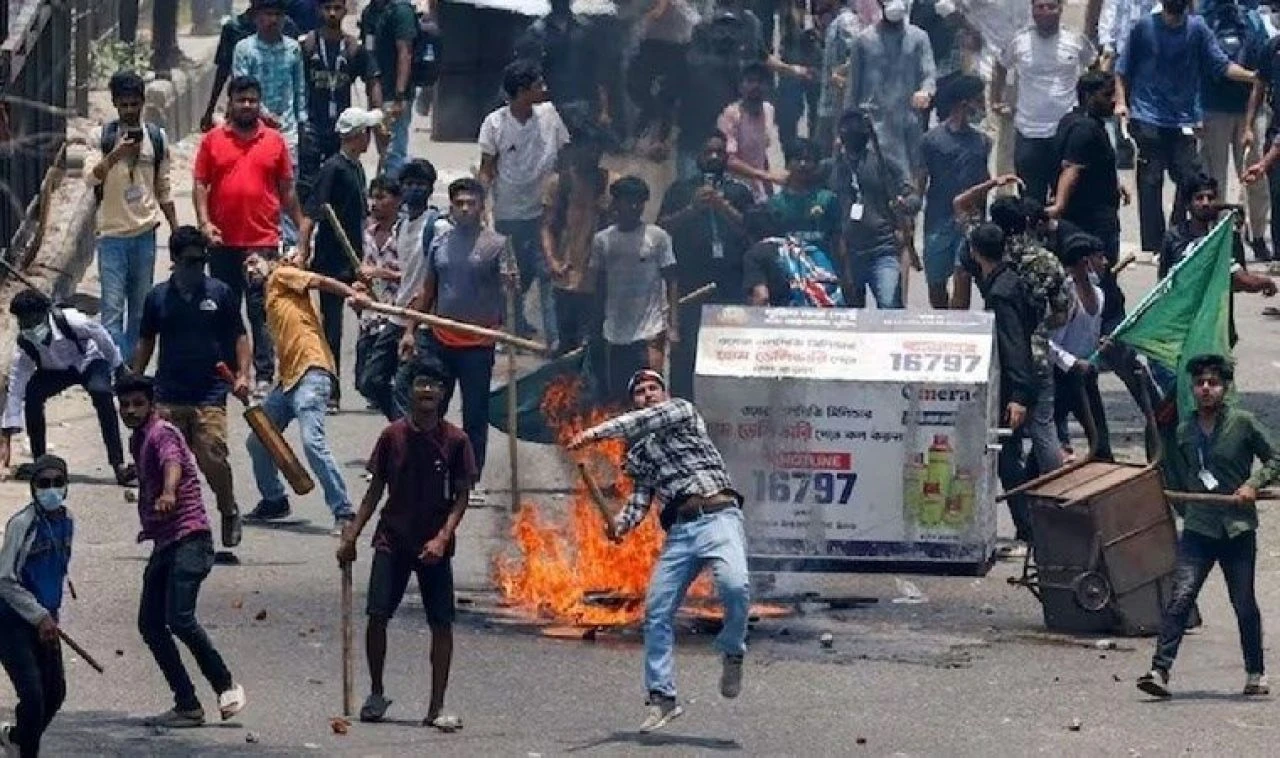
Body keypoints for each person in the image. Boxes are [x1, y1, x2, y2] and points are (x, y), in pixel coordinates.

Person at [567, 369, 749, 734]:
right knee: (656, 612)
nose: (648, 394)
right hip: (681, 532)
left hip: (719, 517)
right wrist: (620, 525)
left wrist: (591, 433)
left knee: (735, 585)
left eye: (654, 388)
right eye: (640, 391)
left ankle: (732, 649)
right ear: (633, 400)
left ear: (665, 394)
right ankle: (662, 698)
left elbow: (648, 419)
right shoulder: (640, 455)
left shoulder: (682, 412)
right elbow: (639, 501)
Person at [336, 364, 475, 731]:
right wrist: (352, 534)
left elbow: (462, 497)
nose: (427, 390)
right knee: (377, 615)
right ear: (411, 391)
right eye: (421, 384)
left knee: (441, 624)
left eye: (434, 385)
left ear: (443, 394)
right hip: (392, 538)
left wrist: (442, 538)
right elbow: (375, 489)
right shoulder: (391, 436)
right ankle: (377, 692)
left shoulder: (456, 441)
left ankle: (436, 706)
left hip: (434, 542)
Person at [1136, 354, 1279, 700]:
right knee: (1180, 597)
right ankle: (1160, 670)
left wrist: (1254, 484)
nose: (1205, 389)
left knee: (1243, 602)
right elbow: (1165, 465)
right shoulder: (1183, 429)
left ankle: (1255, 673)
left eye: (1213, 383)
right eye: (1199, 383)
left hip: (1236, 528)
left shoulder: (1243, 423)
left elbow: (1276, 458)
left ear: (1225, 388)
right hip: (1199, 528)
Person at [116, 375, 248, 729]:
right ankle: (187, 704)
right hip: (165, 542)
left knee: (180, 618)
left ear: (151, 404)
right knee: (150, 624)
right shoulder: (139, 439)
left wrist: (169, 492)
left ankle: (226, 686)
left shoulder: (163, 433)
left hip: (190, 538)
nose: (130, 411)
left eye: (137, 404)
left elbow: (172, 462)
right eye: (125, 405)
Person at [134, 226, 251, 551]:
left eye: (201, 261)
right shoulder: (157, 297)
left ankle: (228, 509)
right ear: (174, 261)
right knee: (167, 463)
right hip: (169, 393)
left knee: (211, 455)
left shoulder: (220, 293)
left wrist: (243, 374)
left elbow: (240, 336)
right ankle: (171, 529)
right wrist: (135, 379)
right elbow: (146, 340)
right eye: (189, 261)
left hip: (210, 392)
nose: (196, 268)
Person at [1116, 0, 1256, 256]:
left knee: (1190, 177)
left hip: (1183, 120)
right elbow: (1122, 69)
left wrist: (1254, 76)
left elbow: (1221, 65)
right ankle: (1152, 245)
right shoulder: (1144, 27)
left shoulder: (1197, 29)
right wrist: (1122, 102)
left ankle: (1177, 236)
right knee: (1151, 179)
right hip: (1148, 115)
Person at [194, 74, 304, 398]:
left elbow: (286, 188)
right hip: (222, 241)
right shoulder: (212, 140)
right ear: (230, 103)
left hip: (262, 241)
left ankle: (265, 373)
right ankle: (230, 372)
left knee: (260, 309)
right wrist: (204, 222)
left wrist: (301, 225)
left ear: (259, 103)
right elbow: (201, 184)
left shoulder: (274, 141)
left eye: (252, 100)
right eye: (241, 100)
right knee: (226, 309)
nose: (246, 105)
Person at [395, 178, 508, 481]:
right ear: (452, 208)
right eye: (459, 203)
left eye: (471, 203)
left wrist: (510, 293)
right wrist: (409, 330)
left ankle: (470, 478)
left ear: (481, 207)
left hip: (478, 345)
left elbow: (510, 294)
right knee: (430, 409)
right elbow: (427, 291)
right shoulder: (440, 244)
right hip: (440, 340)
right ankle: (429, 469)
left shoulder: (497, 246)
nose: (465, 208)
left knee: (474, 415)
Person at [239, 253, 360, 531]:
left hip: (312, 371)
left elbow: (320, 281)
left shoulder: (282, 275)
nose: (250, 268)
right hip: (288, 380)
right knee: (258, 440)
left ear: (271, 261)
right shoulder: (269, 300)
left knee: (311, 442)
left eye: (254, 262)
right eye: (245, 266)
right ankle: (274, 500)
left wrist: (352, 294)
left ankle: (344, 512)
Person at [478, 60, 570, 348]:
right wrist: (483, 206)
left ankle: (554, 339)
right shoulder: (495, 123)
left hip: (544, 212)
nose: (545, 89)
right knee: (514, 275)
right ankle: (512, 328)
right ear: (521, 92)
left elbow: (565, 154)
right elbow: (487, 168)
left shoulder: (550, 115)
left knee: (547, 273)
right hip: (509, 213)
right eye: (537, 85)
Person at [657, 130, 754, 398]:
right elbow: (661, 228)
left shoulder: (740, 191)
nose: (713, 157)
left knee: (729, 350)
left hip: (729, 282)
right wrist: (692, 209)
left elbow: (753, 231)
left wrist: (723, 207)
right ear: (698, 158)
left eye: (719, 152)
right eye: (708, 152)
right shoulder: (680, 190)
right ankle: (682, 407)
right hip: (691, 282)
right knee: (685, 350)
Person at [89, 70, 178, 361]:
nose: (129, 110)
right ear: (115, 104)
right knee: (112, 308)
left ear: (142, 102)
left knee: (140, 308)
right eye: (123, 105)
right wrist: (115, 154)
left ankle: (132, 371)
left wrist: (175, 229)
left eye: (134, 104)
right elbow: (90, 178)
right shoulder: (101, 137)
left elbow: (163, 188)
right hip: (112, 236)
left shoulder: (156, 137)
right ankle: (117, 369)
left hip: (144, 234)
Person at [298, 106, 382, 412]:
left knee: (373, 320)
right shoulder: (332, 169)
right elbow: (311, 213)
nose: (371, 139)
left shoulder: (357, 168)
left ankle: (373, 383)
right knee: (331, 328)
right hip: (333, 261)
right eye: (368, 133)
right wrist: (302, 251)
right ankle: (331, 392)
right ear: (358, 136)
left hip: (357, 259)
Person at [1, 290, 132, 485]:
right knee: (33, 394)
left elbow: (101, 336)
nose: (30, 327)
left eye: (33, 321)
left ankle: (118, 464)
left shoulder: (72, 321)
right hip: (54, 371)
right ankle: (40, 463)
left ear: (45, 314)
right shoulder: (25, 344)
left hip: (88, 361)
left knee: (101, 393)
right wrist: (6, 433)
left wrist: (118, 366)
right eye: (24, 323)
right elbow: (16, 385)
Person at [989, 196, 1070, 481]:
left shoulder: (991, 254)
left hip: (998, 354)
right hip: (1036, 353)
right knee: (1043, 427)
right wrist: (1037, 326)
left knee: (1001, 435)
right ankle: (1059, 492)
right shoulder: (1046, 261)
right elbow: (1064, 312)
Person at [968, 223, 1037, 547]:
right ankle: (1030, 522)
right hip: (1017, 383)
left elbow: (1013, 344)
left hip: (1012, 387)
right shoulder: (1010, 280)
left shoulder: (1001, 292)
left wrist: (1019, 395)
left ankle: (1029, 524)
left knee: (1008, 460)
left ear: (975, 252)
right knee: (1010, 458)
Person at [0, 454, 73, 757]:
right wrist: (38, 615)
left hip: (46, 620)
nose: (52, 489)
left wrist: (50, 615)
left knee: (55, 693)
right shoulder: (22, 524)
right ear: (33, 487)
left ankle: (16, 738)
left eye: (58, 482)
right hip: (12, 620)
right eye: (44, 483)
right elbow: (4, 580)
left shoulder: (67, 521)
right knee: (33, 697)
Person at [990, 0, 1097, 203]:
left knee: (1068, 200)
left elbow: (1093, 65)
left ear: (1060, 9)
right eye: (1039, 7)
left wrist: (1088, 104)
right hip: (1029, 132)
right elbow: (1001, 65)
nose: (1045, 12)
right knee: (1030, 201)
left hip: (1066, 133)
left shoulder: (1075, 40)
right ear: (1032, 10)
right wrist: (996, 99)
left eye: (1051, 6)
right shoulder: (1019, 41)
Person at [589, 177, 679, 404]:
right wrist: (595, 325)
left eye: (639, 202)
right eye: (629, 202)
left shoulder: (657, 237)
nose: (634, 208)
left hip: (651, 329)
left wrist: (673, 325)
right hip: (615, 331)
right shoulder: (603, 240)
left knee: (653, 392)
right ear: (616, 204)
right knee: (621, 396)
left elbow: (672, 281)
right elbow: (599, 285)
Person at [232, 0, 308, 249]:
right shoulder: (245, 49)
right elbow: (241, 86)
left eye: (277, 14)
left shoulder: (293, 49)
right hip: (252, 130)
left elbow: (299, 90)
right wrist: (264, 115)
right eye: (267, 14)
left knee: (288, 189)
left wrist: (302, 122)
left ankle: (287, 247)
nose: (272, 20)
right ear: (256, 17)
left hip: (288, 132)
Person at [1202, 0, 1272, 262]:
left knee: (1256, 176)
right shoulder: (1205, 20)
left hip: (1248, 111)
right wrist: (1256, 77)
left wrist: (1261, 82)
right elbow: (1212, 63)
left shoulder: (1251, 20)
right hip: (1214, 108)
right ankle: (1217, 238)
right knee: (1214, 178)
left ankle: (1257, 235)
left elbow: (1265, 54)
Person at [831, 109, 920, 308]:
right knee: (850, 313)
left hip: (883, 249)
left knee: (889, 306)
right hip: (847, 254)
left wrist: (905, 204)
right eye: (847, 127)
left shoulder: (884, 163)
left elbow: (913, 197)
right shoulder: (832, 167)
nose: (852, 132)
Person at [917, 73, 990, 309]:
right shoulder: (931, 140)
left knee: (963, 274)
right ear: (963, 102)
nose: (981, 105)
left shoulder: (982, 142)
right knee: (936, 284)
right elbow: (920, 178)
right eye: (978, 100)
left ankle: (959, 329)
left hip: (969, 221)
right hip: (938, 219)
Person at [542, 125, 617, 356]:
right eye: (586, 149)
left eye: (596, 150)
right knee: (564, 343)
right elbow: (547, 227)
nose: (591, 155)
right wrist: (553, 261)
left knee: (593, 344)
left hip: (598, 279)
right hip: (566, 276)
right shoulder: (559, 183)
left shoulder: (612, 184)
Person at [382, 159, 448, 421]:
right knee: (371, 379)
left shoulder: (438, 226)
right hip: (397, 314)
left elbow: (439, 275)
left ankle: (412, 438)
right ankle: (408, 431)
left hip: (422, 321)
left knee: (403, 385)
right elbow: (404, 272)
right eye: (409, 184)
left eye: (421, 185)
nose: (414, 190)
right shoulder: (401, 225)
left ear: (431, 189)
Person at [298, 0, 382, 202]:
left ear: (346, 10)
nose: (332, 13)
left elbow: (373, 80)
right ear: (319, 10)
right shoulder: (307, 45)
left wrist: (376, 117)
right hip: (312, 126)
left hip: (342, 129)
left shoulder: (354, 48)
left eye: (337, 8)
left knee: (343, 182)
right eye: (327, 9)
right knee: (308, 187)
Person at [842, 0, 936, 176]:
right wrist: (846, 126)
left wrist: (926, 92)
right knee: (874, 176)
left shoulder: (919, 38)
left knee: (912, 175)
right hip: (873, 124)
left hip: (908, 122)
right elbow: (853, 87)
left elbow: (929, 74)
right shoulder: (863, 41)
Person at [1048, 69, 1127, 262]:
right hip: (1092, 221)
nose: (1113, 101)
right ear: (1088, 96)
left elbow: (1091, 163)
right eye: (1107, 95)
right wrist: (1059, 204)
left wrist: (1116, 185)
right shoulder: (1085, 129)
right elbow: (1072, 168)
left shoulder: (1074, 120)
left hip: (1086, 216)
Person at [1049, 233, 1112, 462]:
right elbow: (1046, 341)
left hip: (1085, 377)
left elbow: (1087, 333)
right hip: (1060, 378)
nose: (1105, 263)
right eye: (1099, 257)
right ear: (1085, 263)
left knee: (1101, 440)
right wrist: (1072, 363)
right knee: (1049, 447)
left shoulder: (1099, 294)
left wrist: (1099, 346)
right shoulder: (1064, 297)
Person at [201, 3, 302, 133]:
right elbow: (223, 70)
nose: (272, 19)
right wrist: (210, 109)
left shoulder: (286, 26)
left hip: (283, 119)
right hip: (246, 112)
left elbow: (297, 79)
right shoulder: (234, 28)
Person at [354, 177, 406, 417]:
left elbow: (413, 276)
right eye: (373, 197)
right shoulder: (367, 233)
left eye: (382, 197)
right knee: (364, 382)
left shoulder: (406, 234)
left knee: (375, 379)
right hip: (370, 314)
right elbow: (366, 268)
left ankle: (402, 421)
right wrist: (359, 286)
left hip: (396, 315)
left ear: (396, 201)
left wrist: (380, 273)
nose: (375, 203)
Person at [514, 0, 610, 123]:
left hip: (582, 109)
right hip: (549, 110)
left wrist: (603, 110)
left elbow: (598, 74)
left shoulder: (584, 30)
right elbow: (527, 77)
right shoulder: (536, 33)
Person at [360, 0, 421, 179]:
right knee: (383, 147)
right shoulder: (370, 12)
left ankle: (393, 192)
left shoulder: (400, 11)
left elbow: (405, 53)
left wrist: (399, 96)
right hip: (375, 89)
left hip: (395, 93)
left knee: (395, 151)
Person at [718, 62, 783, 201]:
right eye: (750, 81)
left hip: (758, 189)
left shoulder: (768, 110)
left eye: (760, 81)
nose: (756, 86)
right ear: (741, 86)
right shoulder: (732, 114)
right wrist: (765, 176)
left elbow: (762, 154)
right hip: (733, 188)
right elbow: (729, 160)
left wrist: (769, 189)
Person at [770, 137, 842, 258]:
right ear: (787, 164)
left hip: (823, 270)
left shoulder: (827, 199)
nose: (802, 164)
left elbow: (839, 241)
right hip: (790, 271)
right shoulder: (775, 204)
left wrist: (846, 275)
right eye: (797, 159)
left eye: (807, 160)